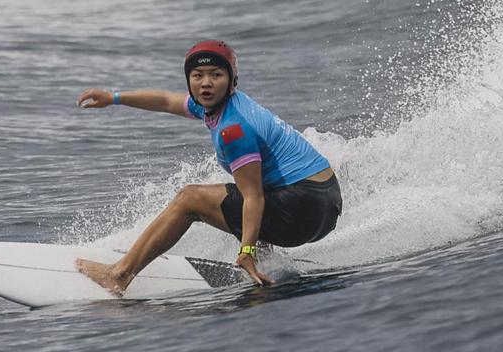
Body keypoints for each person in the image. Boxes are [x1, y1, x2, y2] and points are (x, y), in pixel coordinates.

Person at [75, 40, 342, 294]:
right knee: (243, 191)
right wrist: (113, 97)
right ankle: (263, 259)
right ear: (189, 80)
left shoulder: (233, 129)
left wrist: (245, 251)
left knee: (190, 199)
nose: (206, 83)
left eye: (216, 75)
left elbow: (254, 197)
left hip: (302, 211)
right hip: (326, 201)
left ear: (231, 81)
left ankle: (118, 276)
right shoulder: (215, 104)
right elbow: (165, 100)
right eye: (197, 75)